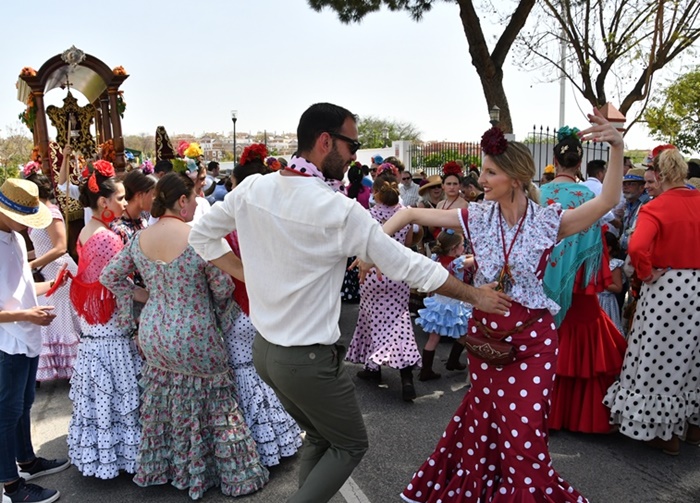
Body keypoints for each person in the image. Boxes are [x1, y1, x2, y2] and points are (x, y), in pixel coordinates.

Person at [189, 102, 510, 503]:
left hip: (266, 353)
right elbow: (407, 265)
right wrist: (475, 295)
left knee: (322, 438)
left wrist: (248, 274)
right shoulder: (338, 209)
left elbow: (201, 237)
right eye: (352, 144)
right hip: (306, 359)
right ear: (326, 142)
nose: (355, 155)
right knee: (351, 444)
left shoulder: (255, 188)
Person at [384, 109, 624, 502]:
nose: (480, 180)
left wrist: (616, 146)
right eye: (482, 171)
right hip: (485, 341)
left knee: (524, 428)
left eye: (490, 172)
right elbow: (408, 212)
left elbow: (609, 199)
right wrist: (370, 246)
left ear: (515, 177)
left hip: (534, 345)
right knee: (487, 421)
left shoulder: (549, 221)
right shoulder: (475, 216)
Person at [101, 172, 269, 498]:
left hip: (154, 332)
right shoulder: (197, 238)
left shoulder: (138, 240)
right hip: (195, 332)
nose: (194, 204)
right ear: (181, 201)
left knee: (167, 402)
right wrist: (220, 313)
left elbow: (110, 277)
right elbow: (221, 289)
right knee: (216, 404)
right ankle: (233, 476)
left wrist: (148, 297)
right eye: (193, 198)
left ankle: (169, 470)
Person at [605, 148, 700, 456]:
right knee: (694, 358)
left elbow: (638, 245)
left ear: (659, 176)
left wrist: (646, 273)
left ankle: (664, 433)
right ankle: (694, 427)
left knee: (661, 358)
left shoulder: (656, 208)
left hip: (667, 287)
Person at [540, 127, 626, 434]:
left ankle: (543, 413)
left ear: (554, 161)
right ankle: (581, 419)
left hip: (545, 286)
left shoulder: (539, 194)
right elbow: (597, 246)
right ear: (580, 164)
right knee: (585, 347)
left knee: (547, 344)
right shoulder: (590, 195)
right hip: (581, 285)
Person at [222, 145, 303, 466]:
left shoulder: (229, 226)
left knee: (245, 374)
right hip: (274, 305)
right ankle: (278, 436)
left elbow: (220, 277)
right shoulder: (281, 220)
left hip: (239, 309)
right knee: (268, 374)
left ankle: (254, 442)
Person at [67, 160, 144, 479]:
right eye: (121, 198)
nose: (125, 204)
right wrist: (149, 298)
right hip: (110, 321)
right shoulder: (108, 237)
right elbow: (117, 283)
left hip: (95, 324)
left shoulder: (88, 231)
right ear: (103, 201)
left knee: (102, 392)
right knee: (119, 388)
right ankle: (125, 456)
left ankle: (103, 455)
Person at [0, 178, 71, 503]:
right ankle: (12, 486)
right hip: (8, 341)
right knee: (7, 412)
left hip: (24, 335)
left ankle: (27, 460)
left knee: (23, 405)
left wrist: (53, 286)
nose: (30, 227)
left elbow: (23, 287)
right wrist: (26, 315)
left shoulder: (13, 236)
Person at [346, 164, 420, 401]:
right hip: (397, 275)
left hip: (372, 275)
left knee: (371, 320)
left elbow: (360, 246)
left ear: (375, 193)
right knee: (400, 323)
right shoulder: (406, 214)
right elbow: (408, 243)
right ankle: (405, 374)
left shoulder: (368, 217)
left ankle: (373, 367)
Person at [23, 167, 80, 382]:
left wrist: (32, 264)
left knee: (63, 320)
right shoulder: (39, 215)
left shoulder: (52, 213)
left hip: (59, 271)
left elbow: (60, 247)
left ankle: (75, 370)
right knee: (54, 320)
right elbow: (42, 247)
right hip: (48, 272)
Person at [415, 230, 473, 381]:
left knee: (433, 338)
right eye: (462, 245)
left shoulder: (436, 258)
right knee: (464, 335)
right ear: (454, 247)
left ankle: (426, 370)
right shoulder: (458, 263)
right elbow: (478, 260)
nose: (464, 248)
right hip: (454, 305)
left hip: (438, 303)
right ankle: (453, 360)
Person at [110, 168, 155, 244]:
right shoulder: (119, 230)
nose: (155, 199)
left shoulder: (143, 222)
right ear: (139, 195)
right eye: (153, 195)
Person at [598, 231, 624, 335]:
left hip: (606, 301)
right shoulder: (594, 263)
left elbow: (618, 287)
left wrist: (602, 284)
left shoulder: (614, 265)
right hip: (596, 299)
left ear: (608, 248)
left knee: (607, 328)